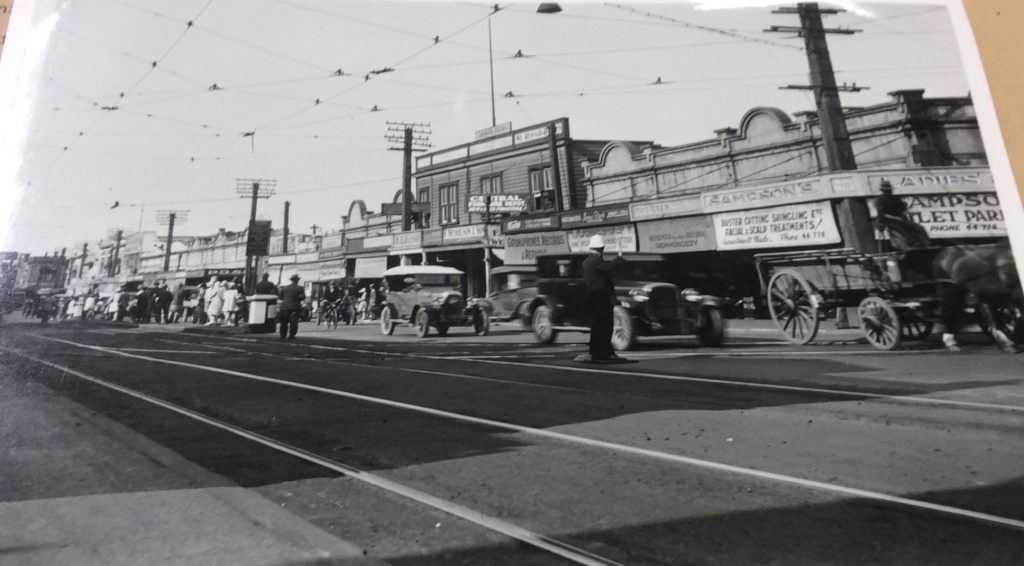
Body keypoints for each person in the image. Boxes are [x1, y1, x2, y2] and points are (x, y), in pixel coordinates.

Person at [575, 234, 627, 364]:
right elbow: (608, 266)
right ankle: (603, 352)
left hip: (596, 298)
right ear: (599, 249)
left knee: (598, 326)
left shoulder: (588, 261)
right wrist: (619, 258)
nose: (602, 252)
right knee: (604, 326)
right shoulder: (594, 261)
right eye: (601, 249)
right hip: (600, 299)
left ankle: (599, 351)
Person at [874, 180, 930, 250]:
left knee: (918, 227)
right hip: (889, 220)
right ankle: (912, 243)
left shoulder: (895, 198)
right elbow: (881, 213)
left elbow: (902, 208)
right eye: (887, 190)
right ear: (883, 191)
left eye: (890, 190)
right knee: (901, 229)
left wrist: (903, 212)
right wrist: (881, 223)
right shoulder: (879, 200)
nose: (889, 191)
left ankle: (925, 243)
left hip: (901, 219)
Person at [278, 274, 306, 339]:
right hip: (295, 307)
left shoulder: (284, 288)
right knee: (294, 321)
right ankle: (292, 335)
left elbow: (280, 297)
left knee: (284, 321)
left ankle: (283, 334)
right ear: (297, 281)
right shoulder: (300, 288)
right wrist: (298, 299)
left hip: (285, 306)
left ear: (291, 280)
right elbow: (303, 297)